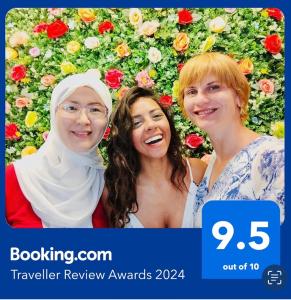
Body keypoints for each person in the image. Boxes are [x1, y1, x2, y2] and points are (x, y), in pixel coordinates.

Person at [178, 52, 284, 227]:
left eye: (214, 87)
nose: (201, 99)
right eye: (191, 91)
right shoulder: (208, 166)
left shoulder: (275, 157)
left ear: (239, 97)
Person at [6, 71, 112, 228]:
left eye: (95, 110)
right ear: (53, 113)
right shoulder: (14, 178)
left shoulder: (111, 184)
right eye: (71, 108)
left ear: (107, 119)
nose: (83, 120)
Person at [104, 87, 206, 228]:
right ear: (125, 135)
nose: (151, 125)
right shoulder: (114, 191)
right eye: (137, 123)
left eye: (157, 116)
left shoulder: (198, 171)